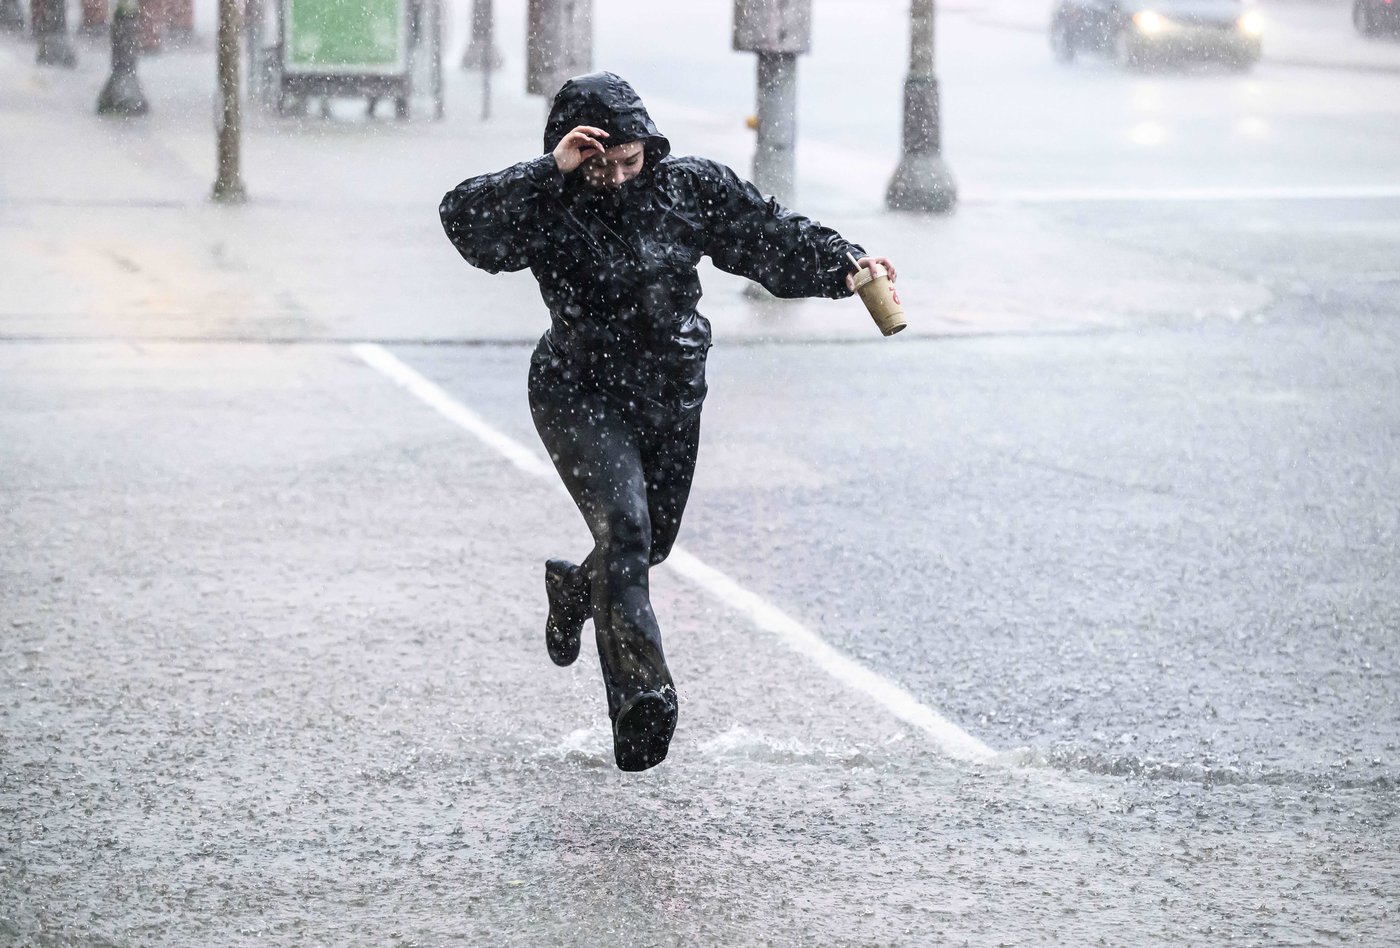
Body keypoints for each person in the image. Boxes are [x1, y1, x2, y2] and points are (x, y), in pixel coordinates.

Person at [440, 72, 897, 773]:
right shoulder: (547, 203)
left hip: (670, 394)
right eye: (601, 166)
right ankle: (641, 702)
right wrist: (549, 171)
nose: (619, 178)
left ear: (649, 148)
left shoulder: (689, 187)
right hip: (578, 390)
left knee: (646, 546)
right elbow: (466, 223)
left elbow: (767, 237)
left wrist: (843, 265)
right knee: (625, 531)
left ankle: (573, 590)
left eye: (631, 161)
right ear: (572, 152)